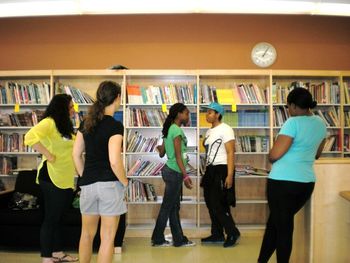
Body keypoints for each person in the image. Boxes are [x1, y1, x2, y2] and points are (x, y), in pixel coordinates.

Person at [257, 88, 327, 263]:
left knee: (283, 229)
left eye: (288, 106)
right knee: (275, 224)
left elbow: (274, 155)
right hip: (306, 183)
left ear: (294, 106)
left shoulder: (292, 123)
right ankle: (261, 261)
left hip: (282, 183)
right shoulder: (320, 123)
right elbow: (317, 154)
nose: (288, 110)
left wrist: (276, 146)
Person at [72, 81, 128, 263]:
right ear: (117, 98)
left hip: (88, 186)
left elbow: (76, 154)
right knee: (107, 238)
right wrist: (125, 181)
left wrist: (84, 175)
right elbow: (114, 161)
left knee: (86, 235)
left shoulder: (85, 123)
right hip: (109, 186)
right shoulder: (115, 126)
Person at [24, 94, 78, 263]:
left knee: (60, 218)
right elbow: (29, 137)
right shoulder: (49, 122)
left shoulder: (65, 126)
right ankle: (46, 256)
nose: (73, 110)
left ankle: (58, 252)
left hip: (65, 177)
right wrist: (48, 154)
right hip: (51, 176)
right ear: (62, 108)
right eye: (70, 107)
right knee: (51, 218)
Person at [151, 103, 195, 247]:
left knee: (173, 207)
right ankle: (157, 238)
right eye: (186, 113)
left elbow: (162, 153)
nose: (188, 116)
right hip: (175, 172)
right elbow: (178, 156)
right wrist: (186, 176)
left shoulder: (169, 129)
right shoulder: (176, 130)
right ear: (179, 114)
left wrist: (159, 147)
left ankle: (178, 239)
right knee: (167, 207)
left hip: (170, 171)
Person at [200, 102, 241, 248]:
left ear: (218, 114)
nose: (207, 114)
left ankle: (232, 232)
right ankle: (217, 234)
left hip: (222, 169)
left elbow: (230, 152)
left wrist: (229, 175)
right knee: (210, 202)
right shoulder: (209, 131)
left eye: (210, 112)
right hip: (211, 170)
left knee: (218, 204)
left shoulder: (226, 129)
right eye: (207, 112)